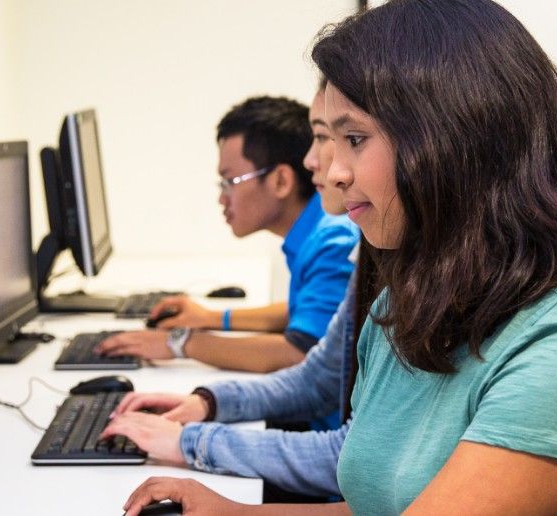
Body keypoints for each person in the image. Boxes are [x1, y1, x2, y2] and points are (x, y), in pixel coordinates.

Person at [120, 0, 557, 515]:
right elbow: (374, 505)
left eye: (353, 139)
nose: (332, 170)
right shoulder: (400, 309)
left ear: (451, 142)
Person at [100, 86, 372, 499]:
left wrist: (183, 346)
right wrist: (208, 393)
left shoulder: (337, 237)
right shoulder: (361, 250)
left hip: (322, 461)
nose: (313, 161)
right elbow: (313, 352)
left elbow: (298, 350)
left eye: (340, 139)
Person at [97, 96, 358, 374]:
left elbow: (299, 352)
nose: (222, 198)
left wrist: (181, 343)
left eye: (230, 181)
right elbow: (303, 313)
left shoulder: (333, 241)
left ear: (281, 181)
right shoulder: (317, 229)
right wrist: (211, 317)